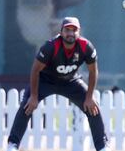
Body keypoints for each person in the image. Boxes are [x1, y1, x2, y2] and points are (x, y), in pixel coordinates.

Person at [6, 17, 111, 151]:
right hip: (46, 80)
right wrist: (33, 96)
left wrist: (89, 97)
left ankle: (102, 147)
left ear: (79, 32)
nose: (71, 33)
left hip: (71, 81)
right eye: (67, 30)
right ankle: (12, 145)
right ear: (61, 31)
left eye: (74, 30)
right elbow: (35, 69)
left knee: (93, 107)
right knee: (27, 106)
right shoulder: (51, 46)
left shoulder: (86, 46)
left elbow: (93, 71)